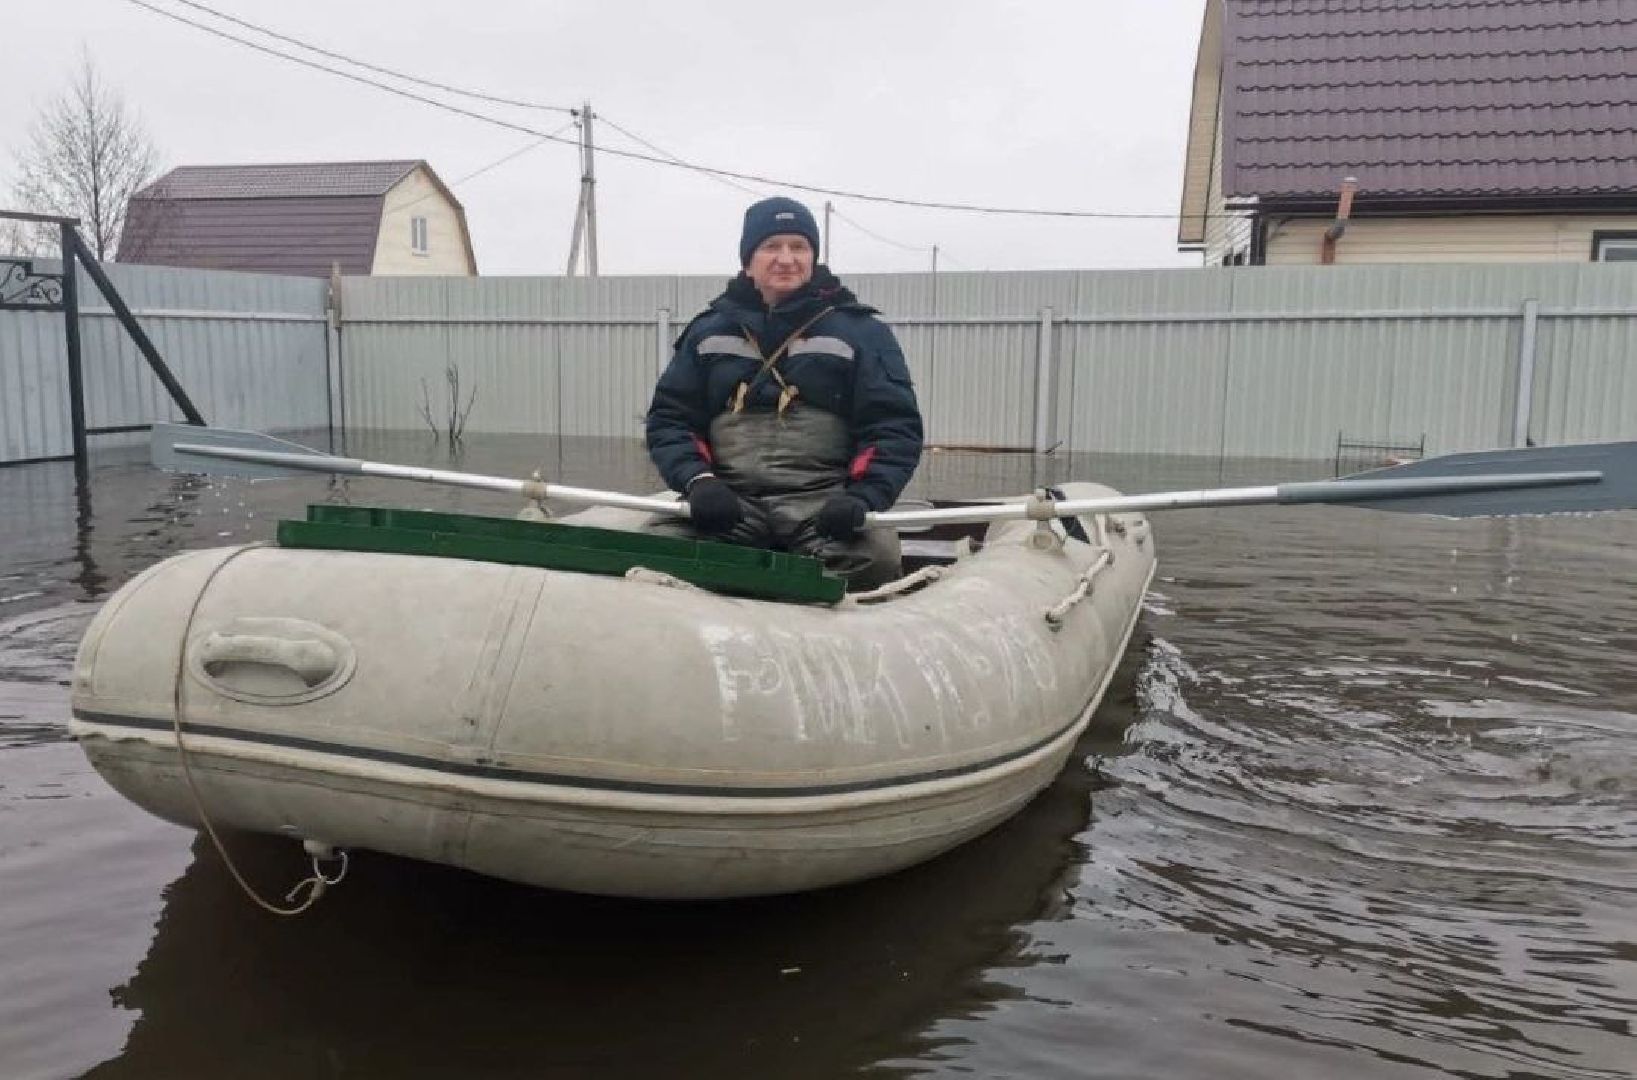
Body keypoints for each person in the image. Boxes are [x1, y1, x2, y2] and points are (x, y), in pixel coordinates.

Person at [645, 196, 924, 590]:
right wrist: (699, 481)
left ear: (814, 257)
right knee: (655, 548)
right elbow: (671, 418)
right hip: (731, 502)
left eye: (799, 246)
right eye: (771, 246)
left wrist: (863, 497)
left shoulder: (862, 332)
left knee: (875, 559)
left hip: (821, 504)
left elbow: (893, 427)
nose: (786, 258)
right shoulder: (708, 331)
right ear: (748, 260)